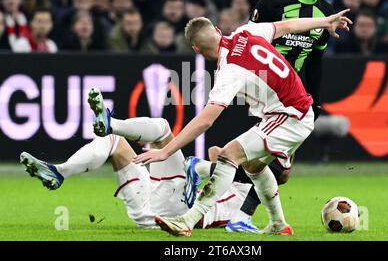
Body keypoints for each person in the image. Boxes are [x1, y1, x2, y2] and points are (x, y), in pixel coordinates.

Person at [133, 10, 351, 237]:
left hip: (289, 116)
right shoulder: (247, 32)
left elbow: (205, 121)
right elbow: (287, 26)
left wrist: (165, 152)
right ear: (218, 31)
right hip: (293, 112)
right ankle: (278, 224)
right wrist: (324, 21)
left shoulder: (229, 70)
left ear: (196, 49)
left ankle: (187, 220)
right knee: (254, 166)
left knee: (229, 155)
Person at [20, 88, 252, 230]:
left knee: (162, 128)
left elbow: (206, 162)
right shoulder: (236, 188)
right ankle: (60, 171)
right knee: (112, 142)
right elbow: (216, 154)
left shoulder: (239, 181)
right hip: (152, 210)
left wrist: (198, 166)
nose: (230, 149)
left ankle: (114, 123)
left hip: (176, 211)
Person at [227, 0, 340, 232]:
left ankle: (210, 175)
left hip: (294, 99)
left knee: (276, 168)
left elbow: (315, 62)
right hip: (265, 94)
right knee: (274, 164)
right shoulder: (272, 4)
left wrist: (314, 103)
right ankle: (241, 216)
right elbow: (248, 43)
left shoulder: (325, 13)